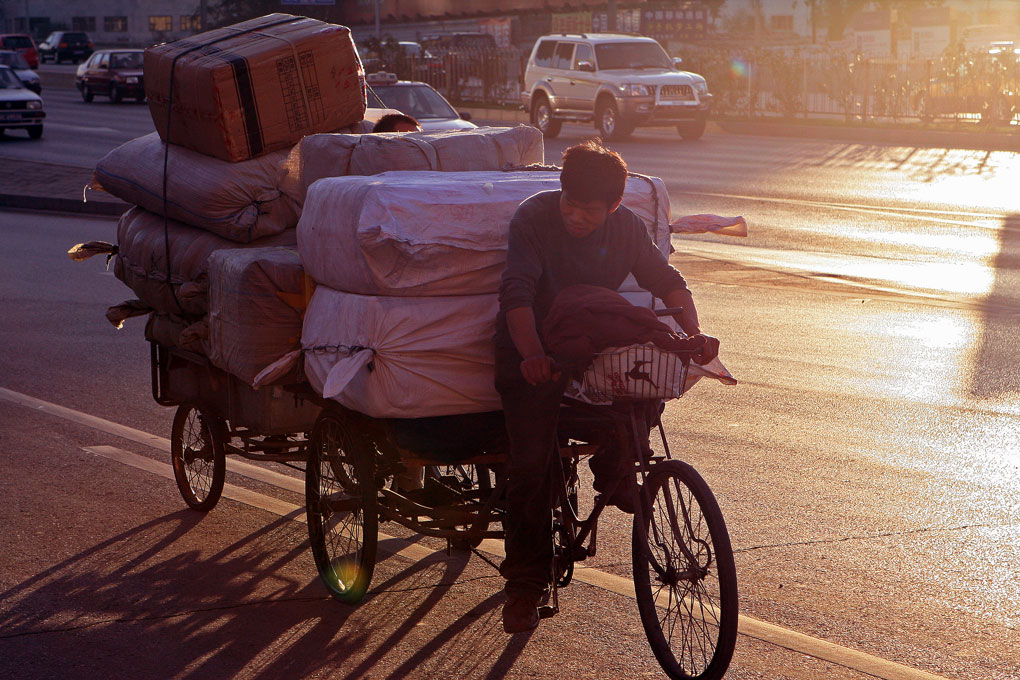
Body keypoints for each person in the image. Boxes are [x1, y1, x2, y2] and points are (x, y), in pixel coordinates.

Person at [494, 139, 718, 634]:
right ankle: (525, 587)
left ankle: (615, 469)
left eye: (590, 211)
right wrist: (531, 355)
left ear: (614, 205)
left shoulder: (627, 228)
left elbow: (667, 280)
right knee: (531, 467)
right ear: (561, 191)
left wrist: (692, 333)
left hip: (590, 348)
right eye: (570, 204)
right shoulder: (533, 219)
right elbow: (518, 290)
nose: (576, 217)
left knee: (648, 383)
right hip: (531, 350)